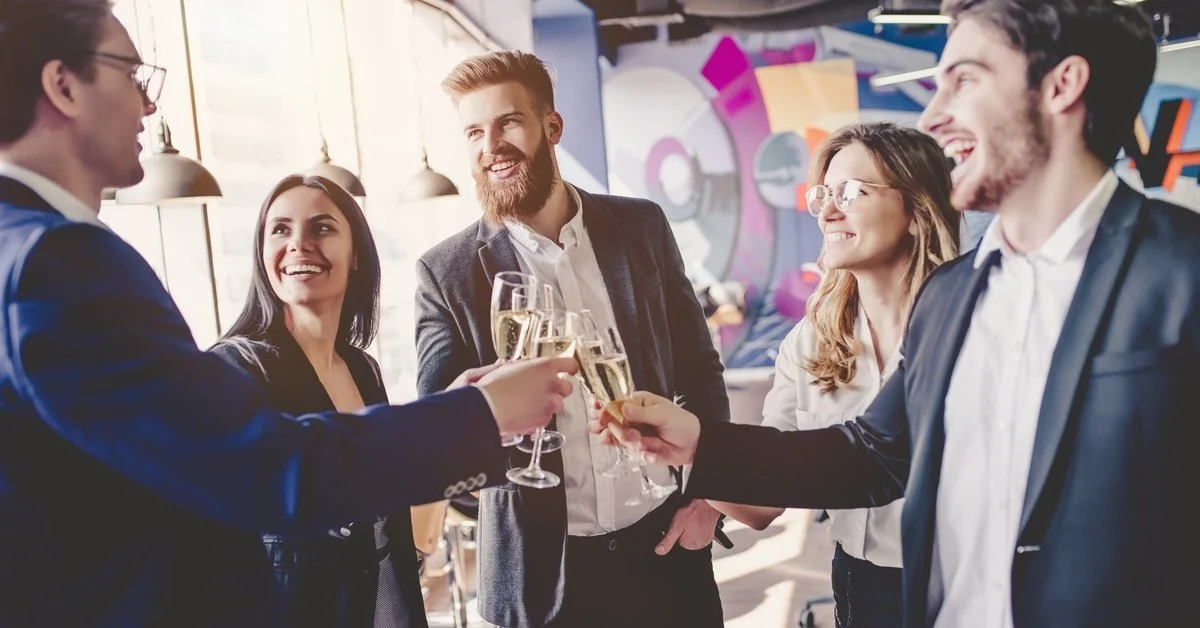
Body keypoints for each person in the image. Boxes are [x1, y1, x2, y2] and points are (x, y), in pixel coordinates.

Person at [593, 1, 1200, 627]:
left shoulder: (1184, 269)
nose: (935, 115)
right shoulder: (956, 294)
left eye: (963, 79)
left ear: (1061, 86)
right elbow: (874, 457)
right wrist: (698, 443)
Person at [0, 2, 576, 626]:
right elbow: (266, 468)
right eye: (132, 75)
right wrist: (481, 416)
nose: (149, 105)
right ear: (62, 85)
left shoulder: (24, 248)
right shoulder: (58, 260)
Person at [415, 50, 729, 628]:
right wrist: (480, 416)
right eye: (475, 132)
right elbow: (440, 436)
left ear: (551, 127)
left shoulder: (641, 227)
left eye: (508, 123)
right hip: (544, 577)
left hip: (665, 545)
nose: (491, 146)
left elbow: (698, 366)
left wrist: (707, 496)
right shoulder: (447, 271)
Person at [711, 122, 961, 627]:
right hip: (861, 586)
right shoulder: (809, 342)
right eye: (823, 194)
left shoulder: (971, 324)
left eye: (850, 192)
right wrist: (668, 452)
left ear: (916, 210)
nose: (827, 210)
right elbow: (764, 499)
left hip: (962, 583)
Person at [209, 174, 428, 628]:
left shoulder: (364, 371)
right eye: (281, 229)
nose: (298, 244)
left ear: (357, 257)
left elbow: (385, 533)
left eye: (322, 228)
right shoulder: (235, 371)